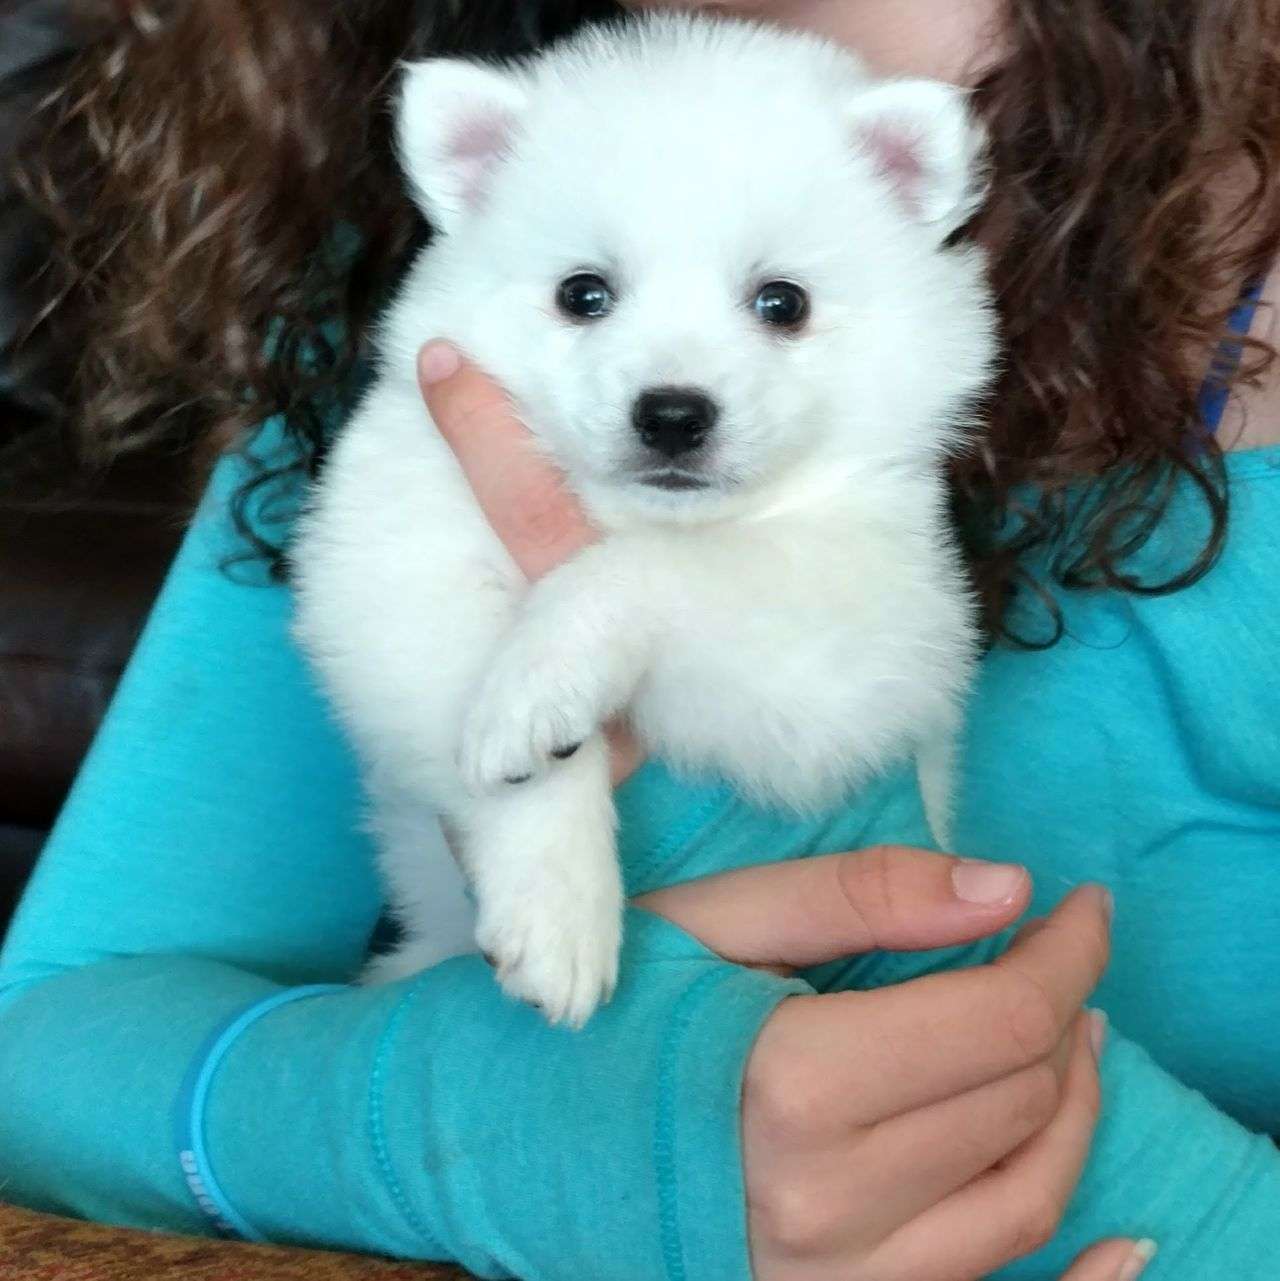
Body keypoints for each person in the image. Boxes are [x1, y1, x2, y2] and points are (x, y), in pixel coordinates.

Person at [1, 1, 1278, 1279]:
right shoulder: (431, 279)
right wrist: (433, 1125)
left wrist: (1174, 1215)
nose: (674, 386)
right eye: (588, 295)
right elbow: (48, 1036)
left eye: (777, 301)